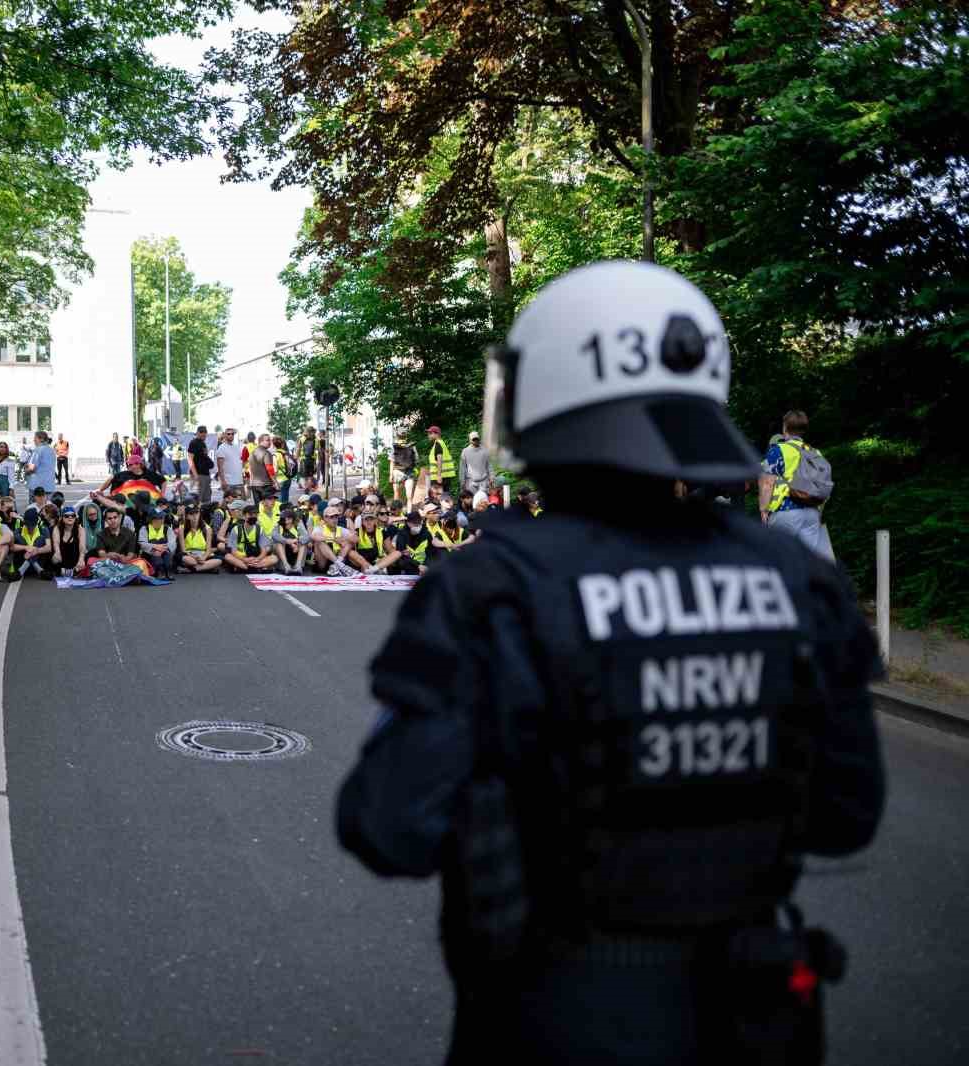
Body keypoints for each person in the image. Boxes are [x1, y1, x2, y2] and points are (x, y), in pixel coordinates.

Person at [337, 260, 883, 1066]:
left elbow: (386, 824)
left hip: (553, 1013)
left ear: (544, 394)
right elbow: (847, 813)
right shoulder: (800, 580)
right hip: (757, 1011)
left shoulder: (494, 585)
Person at [759, 410, 836, 562]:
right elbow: (823, 484)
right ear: (803, 429)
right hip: (811, 514)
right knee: (808, 565)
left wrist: (763, 509)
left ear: (785, 428)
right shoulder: (815, 452)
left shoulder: (778, 450)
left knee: (781, 563)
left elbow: (767, 482)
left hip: (785, 512)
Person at [222, 505, 277, 574]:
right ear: (244, 516)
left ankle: (246, 568)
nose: (253, 517)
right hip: (240, 557)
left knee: (274, 558)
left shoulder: (260, 529)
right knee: (228, 556)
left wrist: (257, 559)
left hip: (255, 557)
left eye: (255, 515)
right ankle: (254, 568)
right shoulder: (236, 529)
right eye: (250, 514)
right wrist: (245, 559)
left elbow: (264, 550)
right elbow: (233, 551)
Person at [8, 506, 54, 580]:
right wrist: (26, 547)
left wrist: (35, 551)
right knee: (21, 540)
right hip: (22, 560)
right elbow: (12, 547)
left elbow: (49, 548)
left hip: (38, 561)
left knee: (40, 540)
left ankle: (20, 572)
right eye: (27, 525)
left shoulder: (43, 530)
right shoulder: (18, 531)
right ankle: (40, 571)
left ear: (36, 523)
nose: (30, 527)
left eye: (32, 525)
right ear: (24, 522)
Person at [346, 509, 395, 574]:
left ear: (375, 520)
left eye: (371, 519)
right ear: (362, 521)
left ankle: (374, 570)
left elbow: (390, 550)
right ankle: (370, 569)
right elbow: (349, 548)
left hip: (377, 561)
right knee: (350, 552)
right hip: (362, 561)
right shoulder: (357, 532)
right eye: (366, 519)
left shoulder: (382, 532)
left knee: (395, 553)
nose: (369, 522)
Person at [136, 507, 178, 579]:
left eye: (162, 517)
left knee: (167, 556)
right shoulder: (144, 529)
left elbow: (173, 542)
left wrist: (163, 549)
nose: (162, 520)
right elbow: (142, 543)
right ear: (152, 519)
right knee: (156, 556)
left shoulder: (167, 529)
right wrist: (155, 547)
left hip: (164, 550)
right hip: (150, 553)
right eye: (159, 518)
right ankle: (159, 572)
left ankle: (168, 571)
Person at [177, 507, 221, 574]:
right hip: (189, 554)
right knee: (190, 561)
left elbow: (208, 549)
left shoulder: (207, 529)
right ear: (187, 516)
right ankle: (207, 567)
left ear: (200, 514)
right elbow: (183, 550)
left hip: (203, 553)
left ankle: (193, 569)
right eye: (191, 514)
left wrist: (203, 558)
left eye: (197, 513)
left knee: (219, 560)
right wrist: (194, 556)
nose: (195, 516)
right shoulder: (182, 528)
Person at [391, 505, 433, 576]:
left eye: (419, 523)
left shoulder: (426, 533)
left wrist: (425, 565)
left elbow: (431, 552)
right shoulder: (402, 534)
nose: (417, 526)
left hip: (425, 564)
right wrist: (418, 565)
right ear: (408, 523)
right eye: (414, 523)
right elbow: (401, 554)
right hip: (410, 564)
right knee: (400, 561)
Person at [270, 507, 310, 574]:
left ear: (291, 519)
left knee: (303, 544)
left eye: (284, 518)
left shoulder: (298, 523)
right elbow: (274, 535)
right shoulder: (278, 524)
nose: (282, 519)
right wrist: (287, 541)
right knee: (278, 543)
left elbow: (306, 537)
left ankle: (298, 566)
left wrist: (297, 541)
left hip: (295, 552)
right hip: (284, 553)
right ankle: (286, 566)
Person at [52, 506, 87, 577]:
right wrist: (57, 552)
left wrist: (81, 559)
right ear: (62, 518)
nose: (70, 517)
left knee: (86, 558)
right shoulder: (57, 528)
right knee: (55, 558)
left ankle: (71, 571)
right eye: (66, 516)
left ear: (75, 517)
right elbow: (56, 542)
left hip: (75, 560)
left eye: (73, 515)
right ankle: (65, 571)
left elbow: (82, 546)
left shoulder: (80, 529)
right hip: (62, 559)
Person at [25, 430, 58, 502]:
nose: (34, 440)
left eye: (35, 438)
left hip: (37, 486)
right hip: (49, 485)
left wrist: (26, 471)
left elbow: (32, 468)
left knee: (35, 509)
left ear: (41, 439)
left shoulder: (38, 450)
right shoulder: (52, 450)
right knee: (47, 509)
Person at [214, 428, 244, 502]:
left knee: (239, 503)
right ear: (224, 435)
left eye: (232, 434)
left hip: (239, 481)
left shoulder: (237, 447)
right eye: (228, 434)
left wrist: (243, 477)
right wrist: (223, 481)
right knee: (229, 504)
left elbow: (239, 463)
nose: (230, 435)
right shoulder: (221, 448)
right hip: (229, 482)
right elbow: (220, 467)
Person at [459, 429, 491, 500]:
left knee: (483, 501)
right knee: (472, 501)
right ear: (470, 440)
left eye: (477, 439)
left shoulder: (485, 450)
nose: (475, 441)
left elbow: (489, 465)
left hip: (483, 481)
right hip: (471, 482)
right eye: (473, 439)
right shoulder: (465, 451)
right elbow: (462, 468)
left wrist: (492, 477)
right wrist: (462, 481)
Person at [426, 424, 453, 498]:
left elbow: (439, 459)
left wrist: (438, 475)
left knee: (436, 497)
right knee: (445, 497)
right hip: (445, 476)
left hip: (438, 477)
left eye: (430, 433)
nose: (428, 435)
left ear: (436, 434)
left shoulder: (438, 444)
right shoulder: (441, 443)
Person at [247, 433, 275, 500]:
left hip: (254, 484)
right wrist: (275, 482)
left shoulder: (253, 452)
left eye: (270, 440)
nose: (270, 442)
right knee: (267, 506)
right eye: (267, 440)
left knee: (258, 507)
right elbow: (269, 468)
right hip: (265, 484)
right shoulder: (266, 453)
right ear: (261, 441)